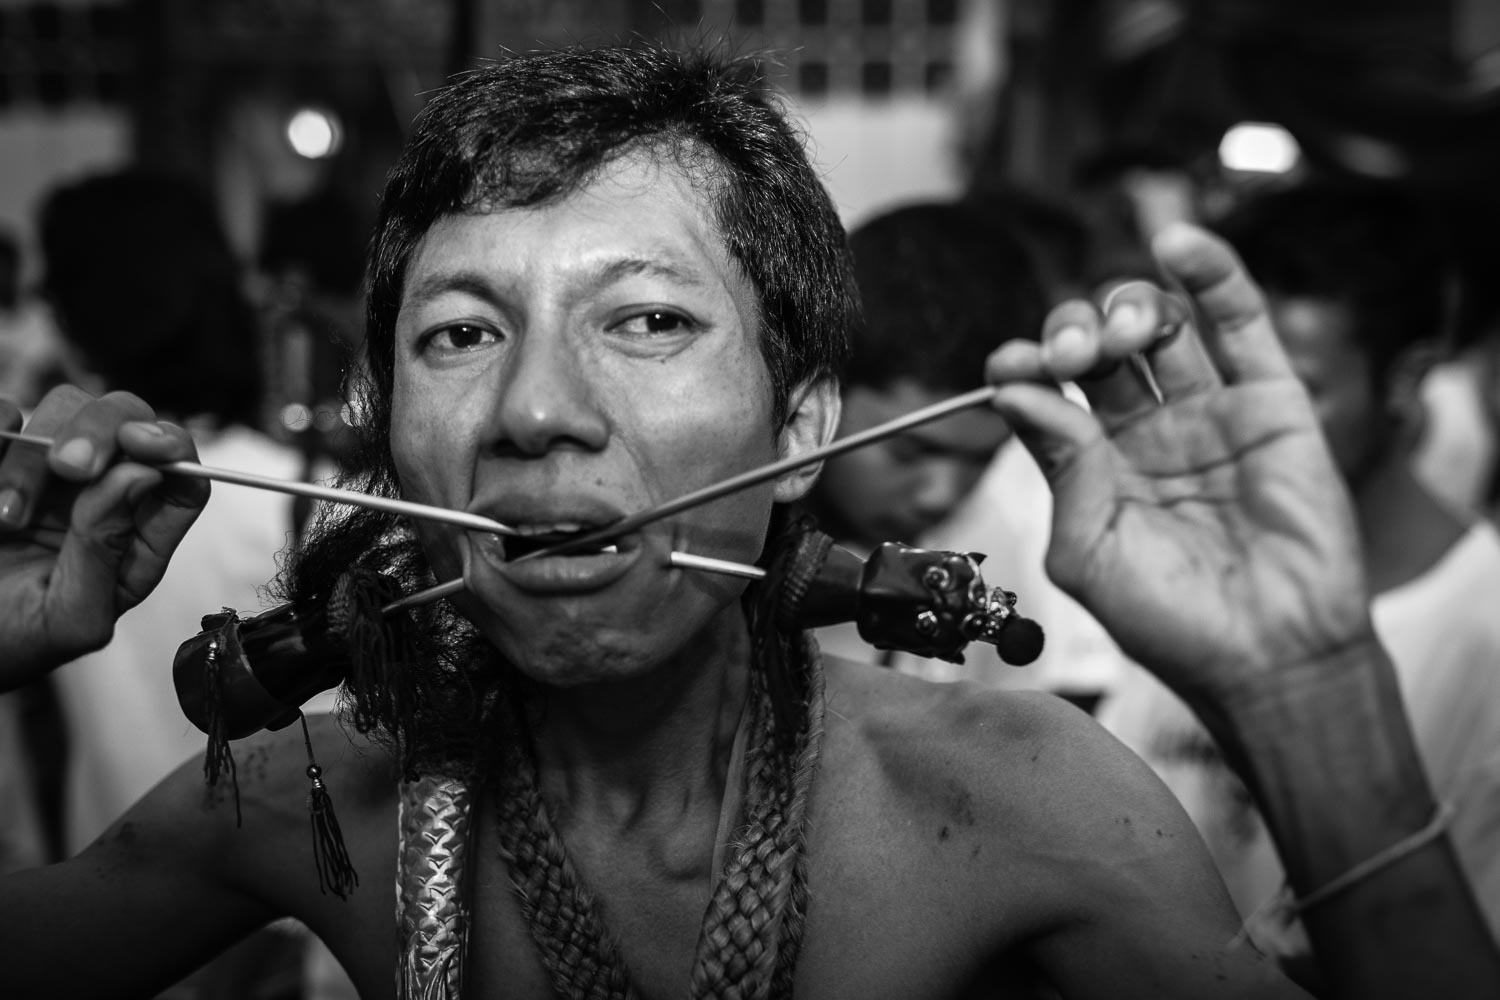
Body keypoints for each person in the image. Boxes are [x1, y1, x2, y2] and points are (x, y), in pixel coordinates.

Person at [0, 44, 1495, 999]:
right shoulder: (302, 801)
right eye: (460, 334)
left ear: (802, 431)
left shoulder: (1013, 801)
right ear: (388, 431)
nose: (536, 411)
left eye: (645, 318)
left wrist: (1308, 700)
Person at [1099, 183, 1500, 975]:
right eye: (1225, 380)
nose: (1248, 424)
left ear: (1404, 380)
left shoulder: (1484, 629)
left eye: (1297, 391)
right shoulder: (1191, 577)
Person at [804, 200, 1126, 705]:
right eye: (909, 451)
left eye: (981, 458)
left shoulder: (989, 552)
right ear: (817, 398)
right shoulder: (727, 539)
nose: (942, 494)